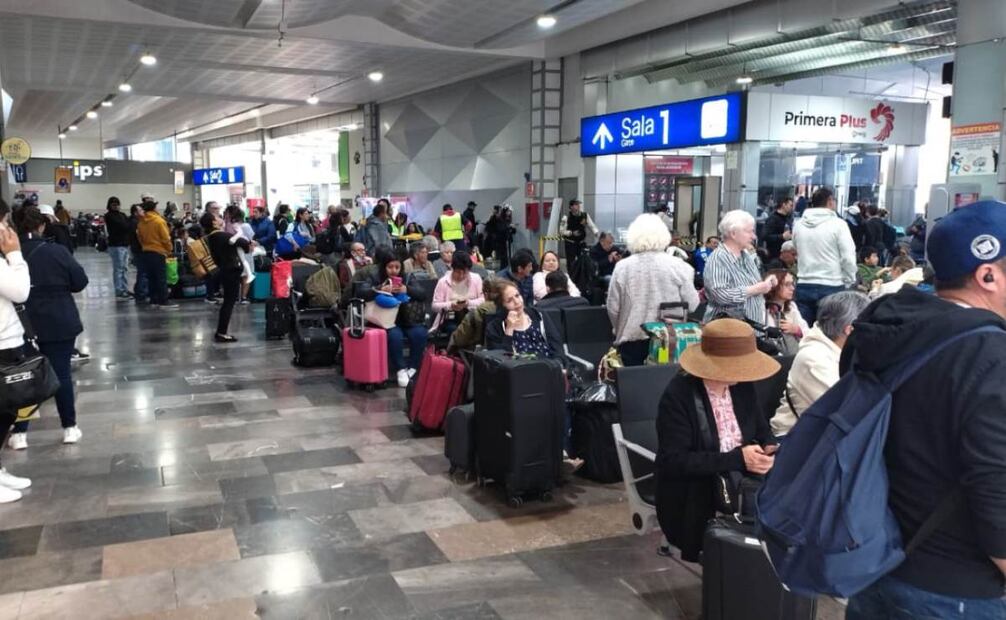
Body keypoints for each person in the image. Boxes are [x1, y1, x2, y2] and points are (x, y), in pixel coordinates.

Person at [841, 200, 1006, 618]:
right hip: (958, 592)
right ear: (987, 275)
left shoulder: (880, 329)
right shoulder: (990, 354)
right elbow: (995, 487)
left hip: (872, 565)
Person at [655, 318, 780, 562]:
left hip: (742, 481)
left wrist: (769, 448)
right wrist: (737, 459)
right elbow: (675, 461)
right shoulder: (679, 395)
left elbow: (762, 428)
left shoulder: (741, 386)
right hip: (696, 491)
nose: (743, 373)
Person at [8, 205, 87, 450]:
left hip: (22, 324)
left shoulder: (8, 257)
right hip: (60, 320)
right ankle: (69, 428)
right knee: (61, 374)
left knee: (24, 378)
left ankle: (20, 434)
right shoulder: (57, 251)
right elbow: (80, 281)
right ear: (42, 225)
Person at [771, 291, 868, 436]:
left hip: (825, 435)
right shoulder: (814, 358)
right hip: (796, 439)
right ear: (850, 330)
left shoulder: (842, 348)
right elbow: (848, 409)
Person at [607, 213, 700, 367]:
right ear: (664, 236)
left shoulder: (623, 267)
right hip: (669, 339)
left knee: (635, 387)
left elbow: (613, 308)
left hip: (632, 338)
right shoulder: (679, 266)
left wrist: (619, 328)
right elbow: (692, 304)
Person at [0, 202, 34, 499]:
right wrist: (14, 254)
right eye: (4, 221)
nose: (8, 229)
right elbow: (21, 291)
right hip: (1, 344)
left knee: (7, 409)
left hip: (8, 340)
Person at [356, 247, 428, 387]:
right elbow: (361, 292)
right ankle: (401, 369)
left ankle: (412, 368)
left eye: (397, 267)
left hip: (407, 318)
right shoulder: (374, 276)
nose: (394, 270)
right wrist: (378, 290)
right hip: (385, 320)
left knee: (419, 333)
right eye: (390, 267)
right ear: (384, 267)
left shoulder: (407, 277)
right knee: (394, 336)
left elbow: (422, 293)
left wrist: (406, 289)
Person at [792, 187, 856, 325]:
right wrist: (849, 279)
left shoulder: (798, 225)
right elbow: (848, 257)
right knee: (830, 334)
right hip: (832, 285)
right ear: (830, 201)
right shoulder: (839, 225)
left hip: (804, 284)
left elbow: (796, 249)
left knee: (802, 333)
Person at [704, 210, 777, 324]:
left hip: (749, 329)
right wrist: (755, 289)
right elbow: (720, 295)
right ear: (733, 233)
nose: (754, 236)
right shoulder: (718, 258)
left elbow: (754, 284)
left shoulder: (746, 256)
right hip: (728, 332)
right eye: (750, 231)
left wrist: (767, 283)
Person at [200, 212, 251, 343]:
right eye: (217, 217)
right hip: (231, 270)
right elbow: (244, 244)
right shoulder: (223, 236)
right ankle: (221, 332)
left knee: (228, 301)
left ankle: (221, 331)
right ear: (213, 223)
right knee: (229, 302)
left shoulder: (210, 237)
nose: (220, 218)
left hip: (223, 270)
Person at [484, 279, 562, 357]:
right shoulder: (494, 328)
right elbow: (501, 360)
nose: (517, 302)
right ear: (502, 306)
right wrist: (509, 330)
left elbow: (557, 346)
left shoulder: (538, 314)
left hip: (550, 365)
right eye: (509, 300)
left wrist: (561, 365)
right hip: (521, 368)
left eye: (517, 295)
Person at [135, 196, 178, 309]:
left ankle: (153, 301)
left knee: (151, 278)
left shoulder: (140, 223)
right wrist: (169, 250)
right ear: (154, 208)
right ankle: (163, 301)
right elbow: (165, 238)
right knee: (161, 278)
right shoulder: (159, 221)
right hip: (158, 252)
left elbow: (140, 238)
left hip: (146, 252)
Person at [431, 251, 484, 338]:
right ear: (453, 269)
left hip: (472, 316)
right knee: (456, 330)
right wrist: (450, 305)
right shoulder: (443, 282)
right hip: (450, 318)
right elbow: (435, 306)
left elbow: (483, 300)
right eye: (458, 272)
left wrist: (468, 303)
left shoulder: (476, 279)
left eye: (465, 272)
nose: (461, 276)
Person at [764, 269, 810, 355]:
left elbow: (808, 332)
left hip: (798, 353)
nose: (792, 288)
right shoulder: (763, 309)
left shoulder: (792, 306)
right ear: (774, 286)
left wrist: (797, 330)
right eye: (787, 284)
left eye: (793, 284)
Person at [447, 278, 499, 354]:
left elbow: (459, 339)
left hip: (478, 354)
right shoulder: (511, 310)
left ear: (486, 294)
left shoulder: (476, 313)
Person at [224, 205, 256, 304]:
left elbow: (251, 239)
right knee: (241, 274)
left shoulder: (243, 226)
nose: (225, 214)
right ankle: (240, 297)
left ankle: (242, 297)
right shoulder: (228, 224)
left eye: (227, 212)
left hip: (243, 251)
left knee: (244, 274)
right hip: (236, 251)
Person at [104, 196, 132, 300]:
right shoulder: (108, 216)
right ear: (109, 205)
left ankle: (124, 289)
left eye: (117, 204)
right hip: (116, 246)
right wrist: (126, 225)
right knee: (118, 269)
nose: (116, 206)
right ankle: (119, 291)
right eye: (113, 204)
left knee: (124, 268)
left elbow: (127, 226)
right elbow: (123, 226)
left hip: (124, 245)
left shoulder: (122, 215)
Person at [561, 199, 598, 273]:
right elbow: (561, 231)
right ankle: (571, 276)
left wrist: (596, 233)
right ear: (571, 207)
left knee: (584, 260)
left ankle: (582, 277)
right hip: (570, 243)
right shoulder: (566, 217)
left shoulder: (585, 215)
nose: (578, 206)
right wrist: (571, 233)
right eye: (576, 204)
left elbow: (592, 225)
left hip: (581, 243)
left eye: (579, 204)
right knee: (571, 262)